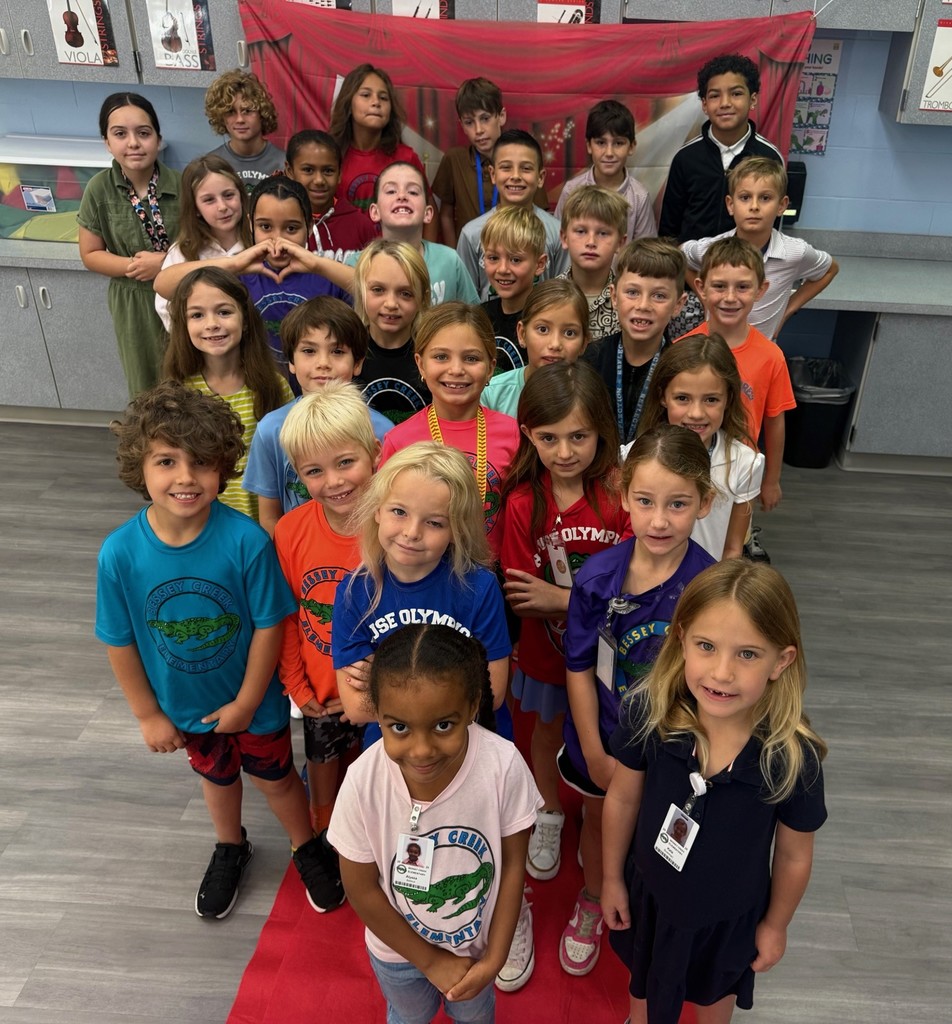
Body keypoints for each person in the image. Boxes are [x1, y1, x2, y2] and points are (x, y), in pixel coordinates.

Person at [96, 381, 343, 919]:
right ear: (140, 467)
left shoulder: (247, 541)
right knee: (216, 778)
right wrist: (147, 714)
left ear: (224, 468)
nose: (185, 477)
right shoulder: (119, 554)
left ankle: (306, 846)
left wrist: (248, 702)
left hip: (257, 706)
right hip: (186, 708)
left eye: (202, 462)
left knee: (277, 779)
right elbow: (119, 641)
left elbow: (270, 626)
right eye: (167, 461)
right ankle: (230, 846)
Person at [602, 560, 827, 1024]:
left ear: (781, 661)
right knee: (642, 991)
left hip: (730, 921)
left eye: (747, 654)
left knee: (714, 1004)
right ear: (682, 639)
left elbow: (793, 855)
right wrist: (610, 878)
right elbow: (622, 798)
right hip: (650, 898)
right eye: (707, 646)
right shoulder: (650, 711)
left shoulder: (792, 757)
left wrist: (776, 924)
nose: (722, 673)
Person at [560, 425, 716, 979]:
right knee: (599, 820)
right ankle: (594, 895)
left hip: (675, 753)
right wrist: (593, 750)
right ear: (624, 495)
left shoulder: (711, 588)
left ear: (704, 503)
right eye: (645, 501)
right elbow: (579, 667)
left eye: (678, 504)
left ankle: (652, 908)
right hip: (604, 739)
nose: (659, 520)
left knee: (658, 836)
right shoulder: (597, 577)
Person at [327, 624, 542, 1022]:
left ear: (472, 706)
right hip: (397, 954)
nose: (422, 750)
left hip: (476, 952)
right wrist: (429, 960)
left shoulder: (504, 766)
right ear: (377, 714)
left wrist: (495, 958)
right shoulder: (362, 782)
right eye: (399, 727)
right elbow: (360, 888)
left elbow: (514, 865)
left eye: (443, 725)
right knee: (408, 1017)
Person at [495, 362, 629, 991]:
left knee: (605, 743)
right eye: (549, 438)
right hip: (548, 656)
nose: (565, 451)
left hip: (617, 662)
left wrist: (564, 599)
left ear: (602, 431)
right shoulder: (524, 501)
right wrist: (558, 603)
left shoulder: (622, 496)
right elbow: (523, 593)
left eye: (579, 436)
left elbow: (634, 588)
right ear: (529, 435)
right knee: (547, 731)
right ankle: (549, 810)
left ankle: (596, 826)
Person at [331, 443, 512, 731]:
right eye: (399, 511)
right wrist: (455, 683)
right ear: (377, 510)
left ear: (456, 530)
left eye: (434, 523)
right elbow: (355, 706)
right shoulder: (355, 592)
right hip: (394, 746)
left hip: (471, 741)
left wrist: (385, 679)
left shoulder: (478, 587)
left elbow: (493, 695)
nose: (412, 532)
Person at [274, 382, 381, 836]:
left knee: (379, 783)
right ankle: (323, 837)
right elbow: (288, 616)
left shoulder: (396, 529)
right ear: (298, 475)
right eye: (314, 471)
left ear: (374, 453)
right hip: (320, 694)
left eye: (345, 462)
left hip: (384, 691)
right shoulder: (289, 531)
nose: (334, 481)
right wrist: (297, 686)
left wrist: (375, 691)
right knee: (323, 781)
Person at [154, 176, 354, 384]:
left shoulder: (327, 274)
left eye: (291, 229)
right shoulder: (239, 274)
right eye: (265, 227)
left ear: (309, 225)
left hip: (319, 391)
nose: (278, 240)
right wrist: (233, 263)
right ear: (251, 224)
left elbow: (371, 290)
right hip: (259, 391)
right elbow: (163, 285)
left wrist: (318, 265)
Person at [243, 297, 392, 538]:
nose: (323, 363)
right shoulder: (270, 429)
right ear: (291, 361)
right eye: (309, 351)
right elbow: (270, 516)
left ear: (357, 363)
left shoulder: (383, 430)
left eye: (337, 351)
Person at [379, 303, 520, 554]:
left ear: (490, 367)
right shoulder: (399, 441)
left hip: (495, 569)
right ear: (421, 364)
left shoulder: (512, 433)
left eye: (471, 358)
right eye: (441, 357)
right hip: (421, 568)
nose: (456, 370)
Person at [163, 266, 292, 522]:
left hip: (264, 521)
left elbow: (288, 463)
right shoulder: (177, 390)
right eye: (197, 315)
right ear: (183, 325)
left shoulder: (273, 386)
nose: (212, 324)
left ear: (245, 320)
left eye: (223, 312)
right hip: (203, 522)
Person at [682, 237, 796, 519]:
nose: (730, 297)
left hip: (741, 476)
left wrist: (771, 480)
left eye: (742, 287)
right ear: (701, 288)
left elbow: (775, 422)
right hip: (685, 467)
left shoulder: (771, 357)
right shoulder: (682, 349)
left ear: (761, 290)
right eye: (719, 286)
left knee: (734, 539)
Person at [78, 92, 181, 397]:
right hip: (132, 300)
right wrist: (134, 266)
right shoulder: (99, 189)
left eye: (143, 133)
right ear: (107, 142)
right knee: (146, 382)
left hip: (182, 292)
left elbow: (201, 245)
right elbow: (90, 254)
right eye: (120, 134)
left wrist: (164, 263)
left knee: (188, 375)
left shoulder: (183, 185)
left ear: (158, 139)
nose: (133, 143)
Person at [680, 156, 839, 341]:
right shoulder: (711, 249)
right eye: (745, 197)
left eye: (765, 198)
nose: (754, 206)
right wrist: (705, 298)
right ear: (731, 205)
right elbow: (680, 257)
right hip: (715, 348)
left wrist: (788, 310)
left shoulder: (795, 252)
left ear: (781, 205)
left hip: (762, 350)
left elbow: (830, 270)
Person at [638, 333, 764, 560]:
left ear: (728, 399)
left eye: (711, 399)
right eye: (682, 398)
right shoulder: (633, 456)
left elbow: (732, 549)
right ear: (663, 396)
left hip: (707, 579)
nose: (696, 413)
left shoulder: (746, 463)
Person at [659, 54, 784, 244]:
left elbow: (773, 225)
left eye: (736, 93)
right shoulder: (685, 158)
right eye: (715, 95)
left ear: (753, 100)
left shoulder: (769, 157)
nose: (725, 103)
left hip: (746, 260)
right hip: (691, 259)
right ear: (704, 104)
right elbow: (669, 226)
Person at [582, 239, 687, 451]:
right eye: (632, 292)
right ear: (614, 296)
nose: (643, 305)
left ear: (678, 304)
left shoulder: (682, 370)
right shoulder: (590, 359)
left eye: (659, 296)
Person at [431, 76, 549, 247]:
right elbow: (446, 214)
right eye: (469, 122)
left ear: (501, 116)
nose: (478, 130)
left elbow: (540, 213)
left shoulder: (525, 159)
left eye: (485, 118)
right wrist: (453, 255)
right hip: (468, 251)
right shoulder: (454, 159)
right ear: (462, 125)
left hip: (516, 251)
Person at [457, 129, 570, 299]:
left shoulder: (557, 233)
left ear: (540, 177)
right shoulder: (472, 233)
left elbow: (564, 295)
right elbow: (465, 299)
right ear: (493, 174)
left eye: (526, 168)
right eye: (506, 167)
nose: (515, 176)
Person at [350, 160, 479, 305]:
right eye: (391, 191)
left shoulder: (450, 260)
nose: (402, 196)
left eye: (413, 192)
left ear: (428, 213)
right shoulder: (355, 264)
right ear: (375, 212)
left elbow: (473, 315)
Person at [155, 154, 251, 331]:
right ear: (195, 208)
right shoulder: (183, 251)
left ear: (241, 195)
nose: (222, 206)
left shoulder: (259, 240)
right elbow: (166, 308)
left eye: (229, 195)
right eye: (209, 200)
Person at [328, 63, 428, 225]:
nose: (376, 102)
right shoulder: (331, 157)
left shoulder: (406, 158)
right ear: (349, 104)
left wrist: (424, 243)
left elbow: (428, 210)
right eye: (366, 95)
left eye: (383, 97)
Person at [482, 279, 590, 418]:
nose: (555, 344)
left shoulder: (590, 398)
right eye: (543, 329)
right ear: (522, 334)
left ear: (584, 343)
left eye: (569, 333)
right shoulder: (491, 395)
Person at [352, 238, 433, 424]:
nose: (391, 304)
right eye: (378, 290)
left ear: (423, 298)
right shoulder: (346, 351)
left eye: (405, 293)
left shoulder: (435, 354)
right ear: (361, 292)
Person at [554, 99, 656, 245]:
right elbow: (558, 244)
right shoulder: (571, 191)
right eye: (601, 143)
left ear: (631, 147)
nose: (609, 153)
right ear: (589, 146)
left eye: (618, 143)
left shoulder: (639, 197)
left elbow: (646, 253)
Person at [284, 129, 377, 263]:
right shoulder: (278, 222)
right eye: (308, 170)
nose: (319, 180)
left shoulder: (361, 226)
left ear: (339, 174)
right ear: (290, 171)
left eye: (328, 171)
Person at [480, 206, 548, 373]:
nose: (503, 269)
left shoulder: (547, 320)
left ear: (539, 264)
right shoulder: (479, 317)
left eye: (515, 260)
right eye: (493, 258)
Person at [557, 185, 629, 342]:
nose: (591, 242)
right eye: (581, 231)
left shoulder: (628, 302)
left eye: (603, 233)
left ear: (620, 243)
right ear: (564, 237)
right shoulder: (548, 297)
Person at [204, 69, 285, 192]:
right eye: (230, 112)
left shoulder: (284, 163)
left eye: (247, 111)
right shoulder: (211, 165)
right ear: (221, 117)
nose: (240, 119)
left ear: (262, 113)